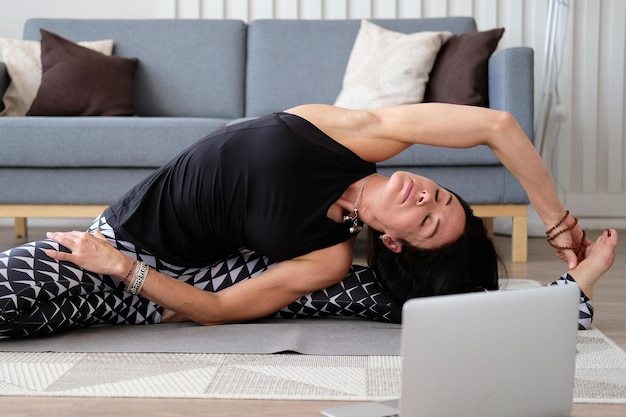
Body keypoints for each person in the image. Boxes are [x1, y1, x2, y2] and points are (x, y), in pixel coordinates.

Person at [0, 103, 614, 338]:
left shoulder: (330, 254)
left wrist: (122, 271)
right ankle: (567, 297)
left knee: (403, 299)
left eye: (427, 223)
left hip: (139, 278)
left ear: (394, 241)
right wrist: (558, 226)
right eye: (441, 198)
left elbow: (212, 311)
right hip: (111, 241)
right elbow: (496, 127)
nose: (425, 200)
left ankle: (566, 301)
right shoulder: (354, 133)